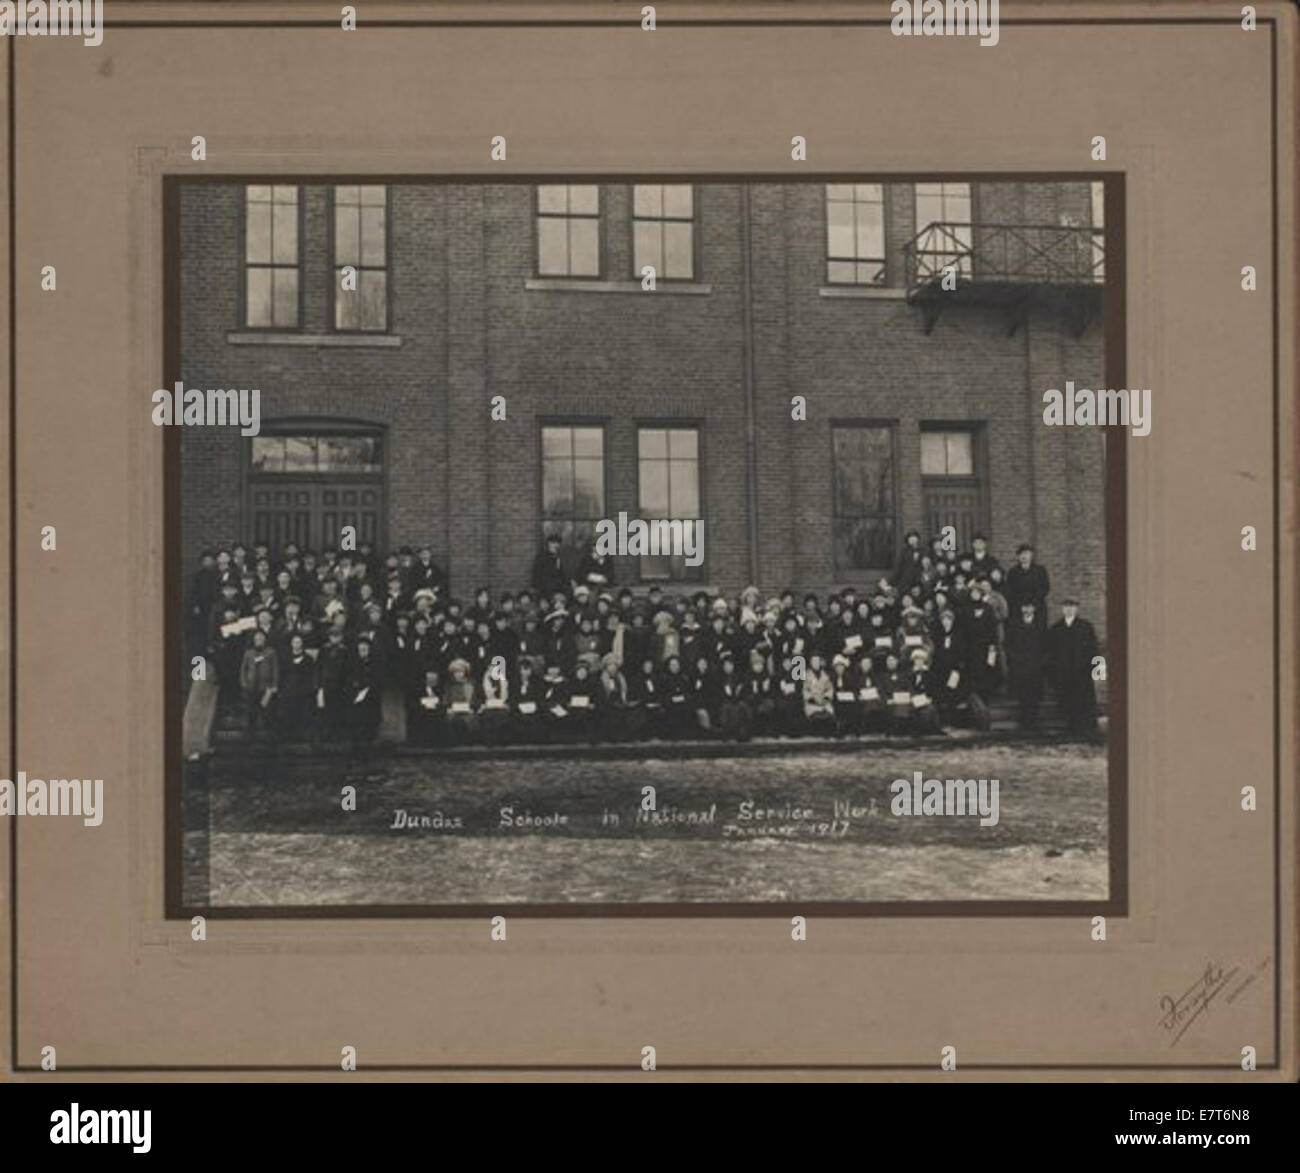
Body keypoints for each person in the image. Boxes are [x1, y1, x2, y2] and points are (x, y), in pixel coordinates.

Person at [1048, 598, 1100, 737]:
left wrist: (1097, 672)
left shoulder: (1086, 627)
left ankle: (1084, 728)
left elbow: (1094, 649)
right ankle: (1070, 727)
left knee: (1083, 700)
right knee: (1067, 699)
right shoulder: (1056, 629)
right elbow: (1051, 653)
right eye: (1066, 607)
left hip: (1082, 671)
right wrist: (1053, 673)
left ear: (1077, 609)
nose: (1069, 609)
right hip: (1064, 672)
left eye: (1072, 607)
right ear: (1062, 609)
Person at [1006, 601, 1046, 729]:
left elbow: (1046, 645)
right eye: (1025, 607)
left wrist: (1041, 661)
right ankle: (1024, 720)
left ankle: (1033, 720)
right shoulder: (1015, 625)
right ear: (1021, 609)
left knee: (1034, 694)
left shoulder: (1040, 625)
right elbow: (1008, 643)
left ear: (1034, 609)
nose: (1027, 610)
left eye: (1030, 607)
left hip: (1035, 665)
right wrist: (1015, 658)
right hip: (1020, 665)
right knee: (1022, 694)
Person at [240, 628, 279, 737]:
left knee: (267, 712)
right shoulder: (248, 653)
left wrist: (274, 685)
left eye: (261, 638)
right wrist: (244, 683)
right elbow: (243, 669)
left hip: (266, 688)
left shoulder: (271, 652)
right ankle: (249, 736)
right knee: (251, 713)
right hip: (251, 688)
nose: (259, 640)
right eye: (257, 638)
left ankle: (269, 738)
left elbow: (275, 670)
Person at [1006, 543, 1050, 631]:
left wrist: (1033, 606)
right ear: (1018, 557)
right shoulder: (1013, 572)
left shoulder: (1040, 571)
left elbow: (1045, 588)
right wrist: (1021, 606)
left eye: (1027, 554)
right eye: (1021, 554)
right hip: (1018, 609)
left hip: (1037, 608)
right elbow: (1010, 591)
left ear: (1031, 556)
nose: (1024, 557)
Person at [531, 533, 568, 600]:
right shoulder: (541, 558)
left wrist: (562, 593)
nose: (556, 545)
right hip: (545, 594)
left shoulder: (560, 558)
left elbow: (563, 577)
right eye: (553, 543)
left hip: (559, 594)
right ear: (548, 544)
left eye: (557, 543)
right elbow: (538, 578)